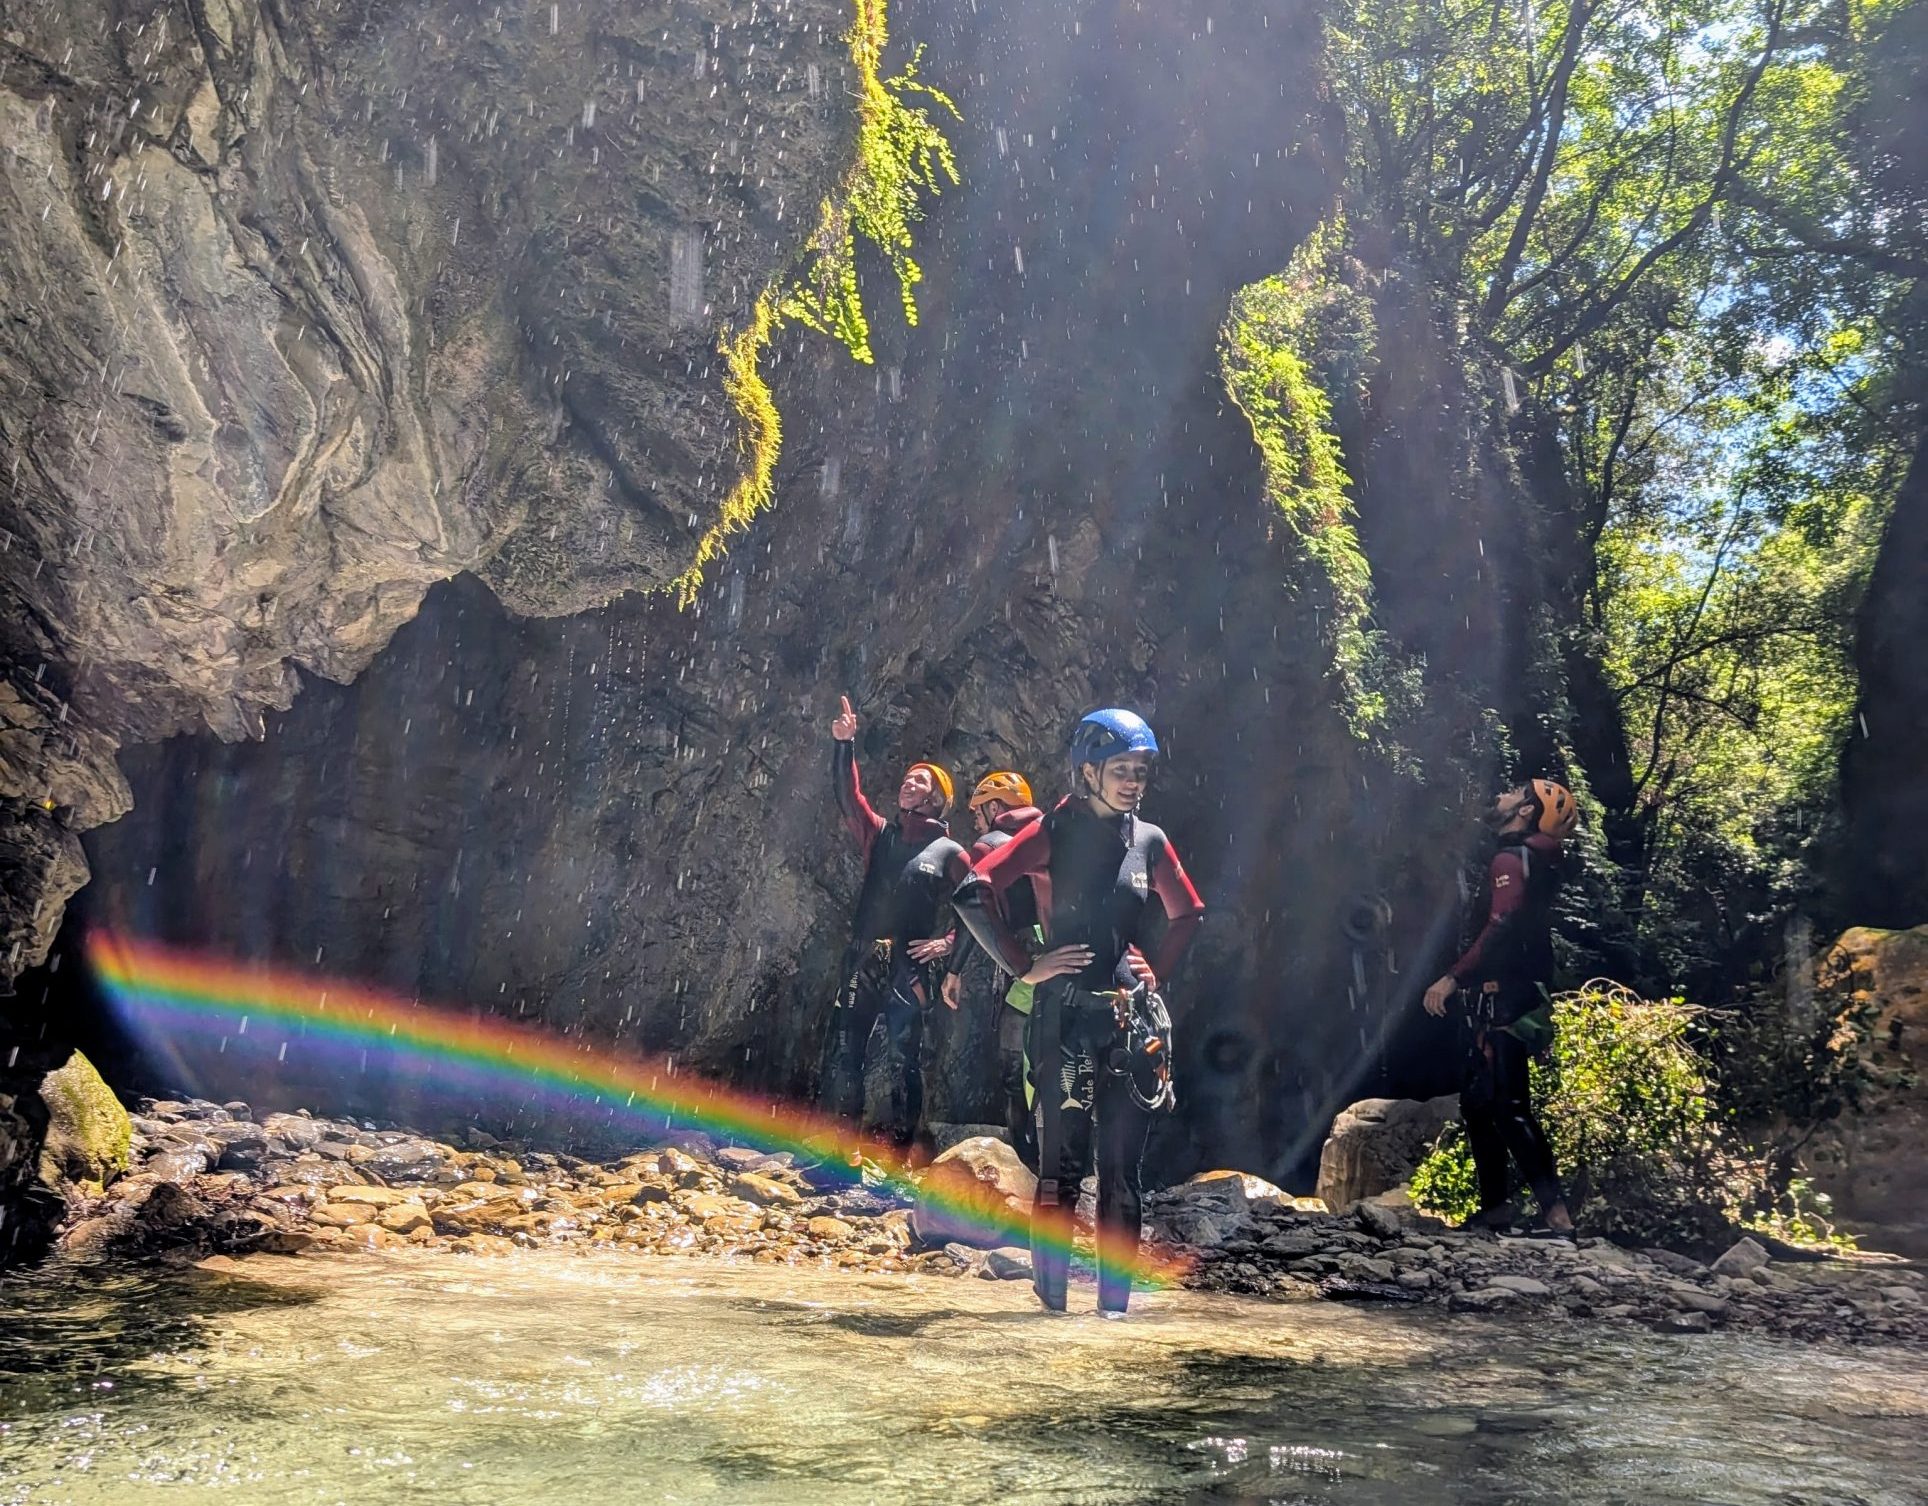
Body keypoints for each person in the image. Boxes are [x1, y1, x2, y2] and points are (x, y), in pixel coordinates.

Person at [953, 709, 1205, 1314]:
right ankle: (1052, 1315)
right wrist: (1023, 964)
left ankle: (1113, 1314)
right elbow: (973, 888)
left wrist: (1158, 975)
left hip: (1126, 1017)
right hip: (1062, 1018)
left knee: (1122, 1172)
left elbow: (1188, 913)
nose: (1134, 782)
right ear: (1087, 771)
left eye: (1141, 771)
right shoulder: (1053, 830)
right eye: (1122, 770)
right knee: (1060, 1171)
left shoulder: (1148, 838)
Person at [1422, 778, 1580, 1234]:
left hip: (1505, 994)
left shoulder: (1510, 858)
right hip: (1516, 990)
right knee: (1478, 1103)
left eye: (1514, 791)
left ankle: (1557, 1214)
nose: (1503, 793)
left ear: (1527, 811)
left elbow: (1503, 923)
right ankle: (1496, 1210)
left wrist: (1453, 977)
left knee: (1509, 1104)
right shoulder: (1537, 859)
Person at [822, 695, 967, 1153]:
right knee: (846, 1051)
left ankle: (901, 1154)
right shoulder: (881, 834)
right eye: (907, 778)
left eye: (920, 780)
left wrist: (947, 944)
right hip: (864, 954)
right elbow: (850, 799)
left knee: (905, 1060)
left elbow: (982, 906)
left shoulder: (949, 852)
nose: (909, 782)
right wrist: (845, 746)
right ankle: (843, 1146)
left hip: (908, 966)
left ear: (938, 799)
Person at [939, 772, 1044, 1166]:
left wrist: (954, 969)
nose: (976, 822)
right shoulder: (1051, 835)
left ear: (996, 807)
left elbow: (973, 903)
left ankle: (1026, 1161)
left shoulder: (991, 845)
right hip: (1068, 958)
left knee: (1014, 1066)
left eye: (979, 812)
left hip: (1026, 964)